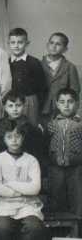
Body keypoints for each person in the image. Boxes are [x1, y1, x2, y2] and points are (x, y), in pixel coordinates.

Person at [0, 119, 48, 240]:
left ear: (23, 137)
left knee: (34, 227)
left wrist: (9, 183)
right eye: (9, 137)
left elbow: (35, 188)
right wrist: (19, 191)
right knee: (2, 227)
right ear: (3, 138)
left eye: (17, 136)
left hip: (27, 204)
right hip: (3, 204)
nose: (14, 140)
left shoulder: (31, 160)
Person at [47, 88, 82, 216]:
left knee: (77, 199)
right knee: (55, 197)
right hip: (56, 167)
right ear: (57, 104)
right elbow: (46, 143)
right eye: (62, 102)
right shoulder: (51, 124)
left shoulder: (80, 124)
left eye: (70, 101)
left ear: (77, 103)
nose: (66, 105)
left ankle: (78, 230)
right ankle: (58, 231)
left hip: (76, 168)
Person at [8, 28, 46, 126]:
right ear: (9, 43)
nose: (16, 45)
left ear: (27, 43)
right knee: (14, 128)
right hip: (13, 102)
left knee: (30, 127)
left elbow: (42, 86)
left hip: (30, 101)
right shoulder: (7, 62)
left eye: (20, 42)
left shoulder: (34, 62)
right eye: (13, 42)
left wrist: (38, 105)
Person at [41, 32, 80, 122]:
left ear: (65, 49)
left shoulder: (70, 67)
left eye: (58, 44)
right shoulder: (38, 65)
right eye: (51, 43)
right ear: (47, 45)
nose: (54, 46)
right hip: (42, 110)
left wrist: (75, 113)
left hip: (62, 113)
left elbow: (75, 92)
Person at [0, 91, 45, 166]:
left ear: (24, 106)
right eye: (10, 106)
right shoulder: (1, 124)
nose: (15, 109)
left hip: (25, 162)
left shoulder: (29, 126)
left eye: (18, 105)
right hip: (6, 161)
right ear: (5, 108)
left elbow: (34, 150)